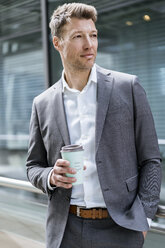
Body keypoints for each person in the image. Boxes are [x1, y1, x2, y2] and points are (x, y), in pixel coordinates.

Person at [26, 3, 162, 248]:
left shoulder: (128, 87)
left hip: (121, 229)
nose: (90, 44)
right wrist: (50, 176)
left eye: (93, 35)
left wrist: (143, 221)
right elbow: (33, 166)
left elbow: (151, 159)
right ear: (57, 43)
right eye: (78, 36)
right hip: (65, 230)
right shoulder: (42, 103)